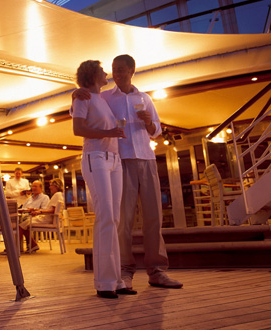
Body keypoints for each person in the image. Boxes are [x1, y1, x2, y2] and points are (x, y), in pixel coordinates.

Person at [73, 54, 182, 291]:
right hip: (120, 161)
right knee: (123, 220)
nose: (116, 74)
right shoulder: (105, 97)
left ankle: (157, 271)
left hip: (147, 159)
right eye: (113, 70)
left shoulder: (145, 98)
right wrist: (75, 93)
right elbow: (85, 105)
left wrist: (148, 123)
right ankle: (125, 270)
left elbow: (157, 132)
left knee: (154, 218)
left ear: (132, 70)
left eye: (121, 69)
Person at [71, 59, 131, 299]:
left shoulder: (102, 98)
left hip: (114, 160)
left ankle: (116, 280)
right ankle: (104, 282)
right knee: (106, 215)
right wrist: (109, 133)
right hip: (95, 158)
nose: (106, 72)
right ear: (92, 74)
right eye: (102, 70)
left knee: (114, 218)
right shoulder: (82, 97)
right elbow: (78, 129)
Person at [16, 181, 50, 253]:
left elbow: (45, 210)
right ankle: (31, 245)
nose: (33, 188)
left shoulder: (45, 197)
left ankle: (14, 247)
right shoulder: (30, 198)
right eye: (33, 186)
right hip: (25, 216)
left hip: (37, 217)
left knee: (21, 225)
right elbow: (24, 208)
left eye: (35, 186)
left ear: (41, 188)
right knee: (14, 223)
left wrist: (34, 211)